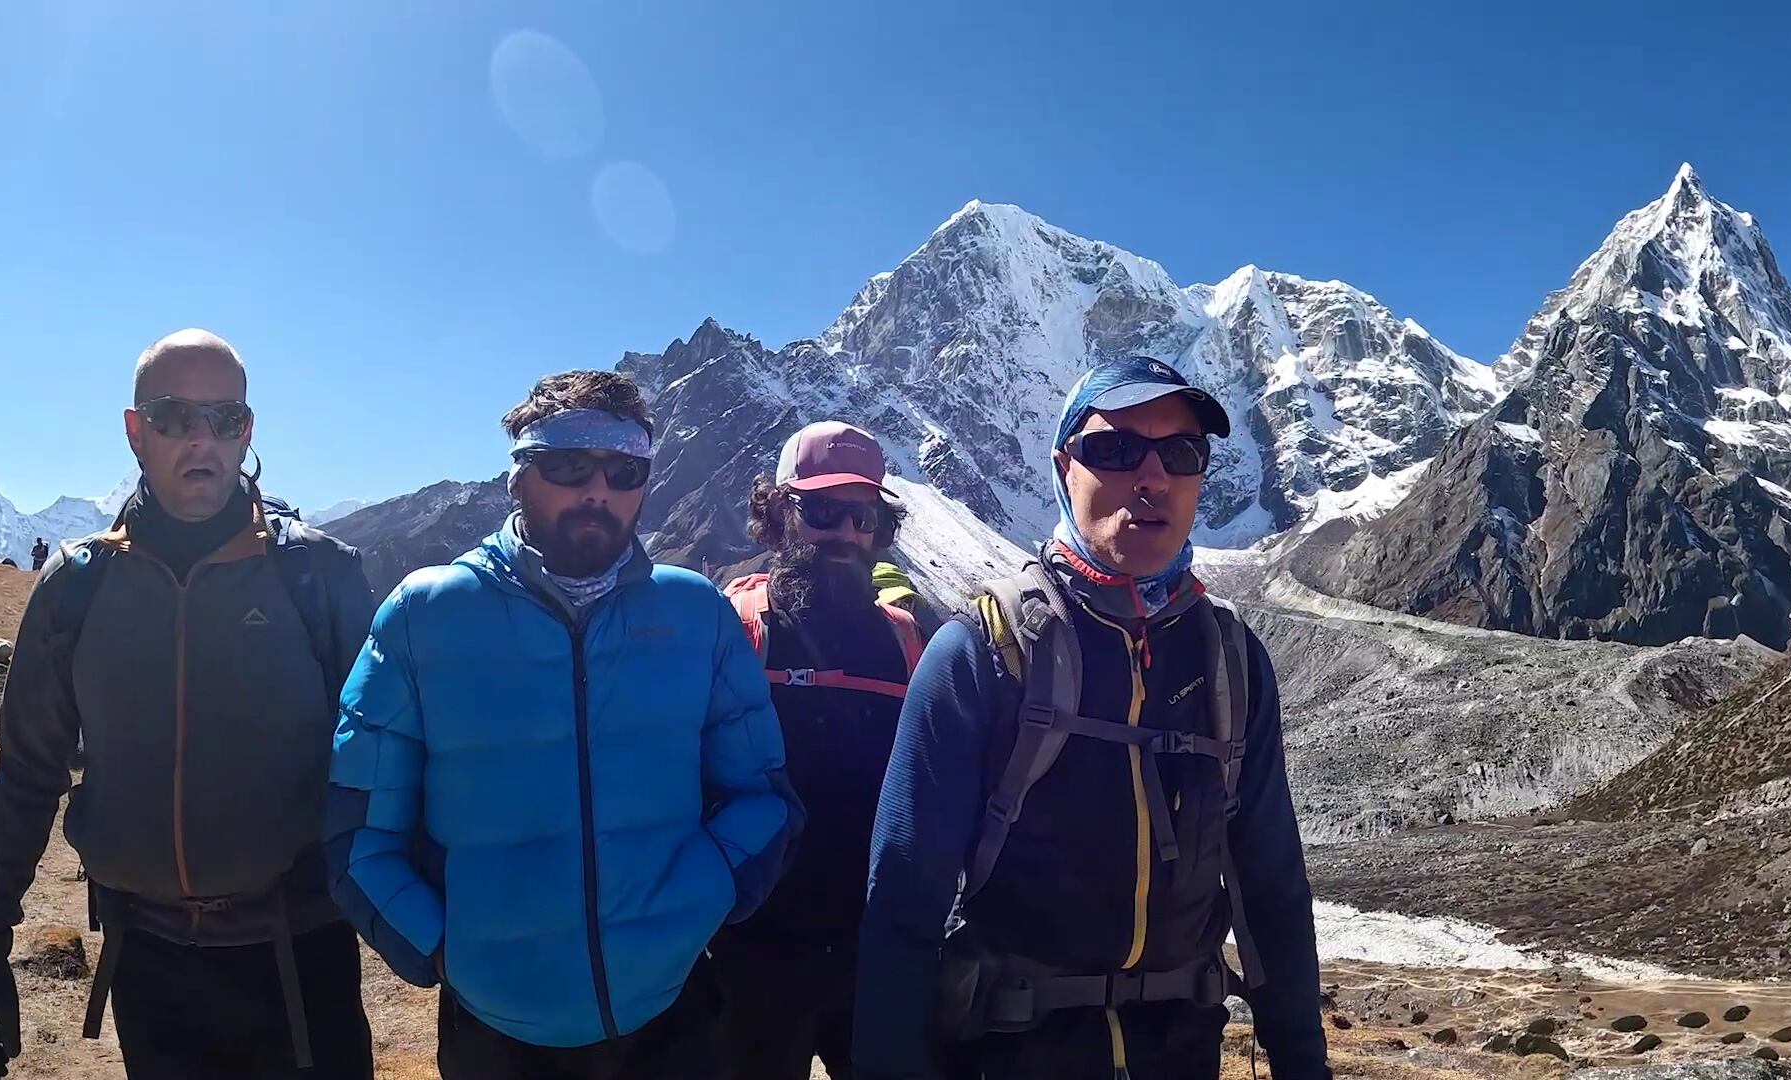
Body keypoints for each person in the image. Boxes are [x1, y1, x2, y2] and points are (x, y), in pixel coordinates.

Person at [853, 357, 1331, 1080]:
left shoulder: (1231, 660)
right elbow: (902, 904)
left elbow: (1272, 889)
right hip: (1007, 1054)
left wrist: (1304, 1064)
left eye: (1182, 453)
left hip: (1182, 1052)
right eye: (1114, 450)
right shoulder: (981, 653)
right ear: (1061, 467)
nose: (1152, 477)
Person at [325, 370, 804, 1080]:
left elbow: (761, 797)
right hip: (497, 1031)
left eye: (624, 470)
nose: (597, 490)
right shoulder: (422, 616)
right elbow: (360, 832)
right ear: (518, 476)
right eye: (566, 464)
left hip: (672, 1020)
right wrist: (444, 949)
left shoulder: (695, 614)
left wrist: (707, 896)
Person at [0, 329, 378, 1079]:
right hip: (150, 966)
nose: (203, 440)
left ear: (248, 431)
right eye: (174, 417)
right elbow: (28, 775)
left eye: (225, 419)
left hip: (303, 958)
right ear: (136, 431)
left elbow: (389, 760)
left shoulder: (316, 575)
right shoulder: (78, 584)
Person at [713, 423, 928, 1080]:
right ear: (778, 512)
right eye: (821, 509)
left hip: (875, 959)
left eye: (862, 515)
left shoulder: (907, 641)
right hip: (749, 958)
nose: (844, 532)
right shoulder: (735, 628)